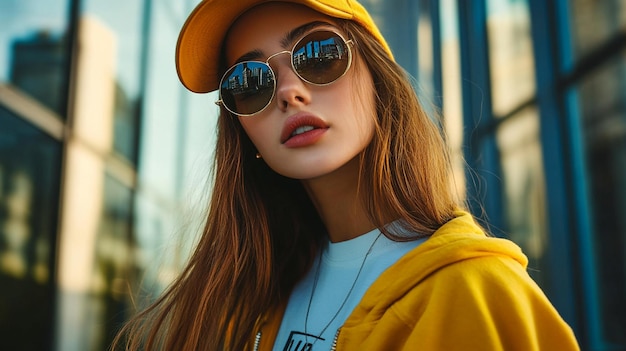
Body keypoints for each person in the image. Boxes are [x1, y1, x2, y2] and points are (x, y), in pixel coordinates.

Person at [114, 0, 581, 350]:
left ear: (377, 78)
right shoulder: (261, 294)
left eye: (318, 53)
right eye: (250, 81)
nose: (290, 92)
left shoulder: (474, 291)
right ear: (239, 127)